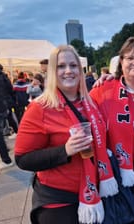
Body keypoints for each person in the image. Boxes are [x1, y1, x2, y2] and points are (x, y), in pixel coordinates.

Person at [14, 45, 117, 224]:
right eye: (61, 66)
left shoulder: (90, 102)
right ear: (53, 71)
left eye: (73, 65)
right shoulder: (40, 108)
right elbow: (23, 159)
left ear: (80, 70)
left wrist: (113, 78)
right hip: (59, 201)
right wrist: (65, 150)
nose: (68, 71)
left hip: (94, 192)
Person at [90, 37, 134, 223]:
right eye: (129, 58)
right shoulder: (103, 90)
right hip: (118, 170)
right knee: (127, 216)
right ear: (121, 62)